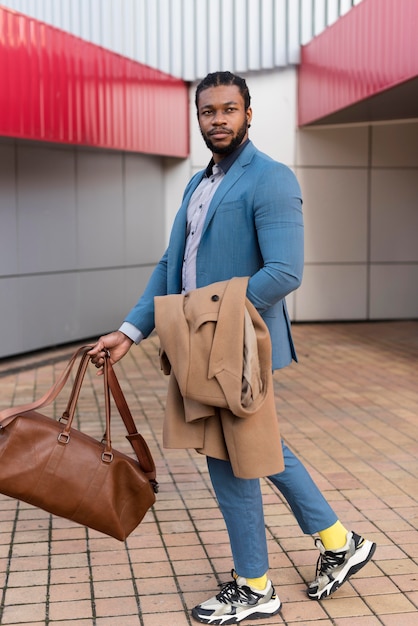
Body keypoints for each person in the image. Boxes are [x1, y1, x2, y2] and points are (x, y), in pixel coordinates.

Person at [89, 71, 376, 624]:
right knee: (258, 448)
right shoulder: (199, 185)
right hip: (205, 343)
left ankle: (256, 586)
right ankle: (340, 543)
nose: (217, 120)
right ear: (198, 119)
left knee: (233, 461)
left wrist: (209, 317)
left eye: (228, 109)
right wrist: (129, 331)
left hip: (239, 346)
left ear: (248, 114)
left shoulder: (270, 178)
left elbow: (285, 272)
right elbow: (171, 265)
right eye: (207, 112)